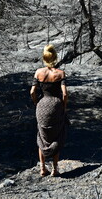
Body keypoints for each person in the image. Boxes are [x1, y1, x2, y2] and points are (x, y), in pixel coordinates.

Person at [30, 44, 68, 177]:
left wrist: (36, 102)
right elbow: (64, 94)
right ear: (55, 57)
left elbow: (32, 91)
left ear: (44, 58)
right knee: (56, 135)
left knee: (42, 136)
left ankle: (42, 168)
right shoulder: (60, 73)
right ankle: (55, 169)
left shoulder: (38, 72)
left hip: (42, 104)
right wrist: (63, 106)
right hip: (55, 105)